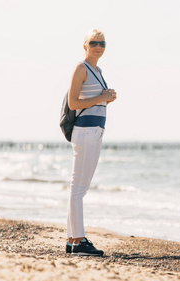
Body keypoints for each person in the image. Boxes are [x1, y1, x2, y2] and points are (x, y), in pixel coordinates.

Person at [65, 29, 117, 256]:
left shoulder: (98, 70)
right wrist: (101, 98)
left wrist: (107, 99)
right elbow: (73, 103)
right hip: (85, 131)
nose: (98, 46)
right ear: (85, 46)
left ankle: (71, 239)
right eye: (93, 43)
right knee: (78, 187)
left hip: (95, 131)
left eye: (102, 43)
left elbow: (94, 101)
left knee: (81, 187)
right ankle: (79, 241)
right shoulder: (81, 68)